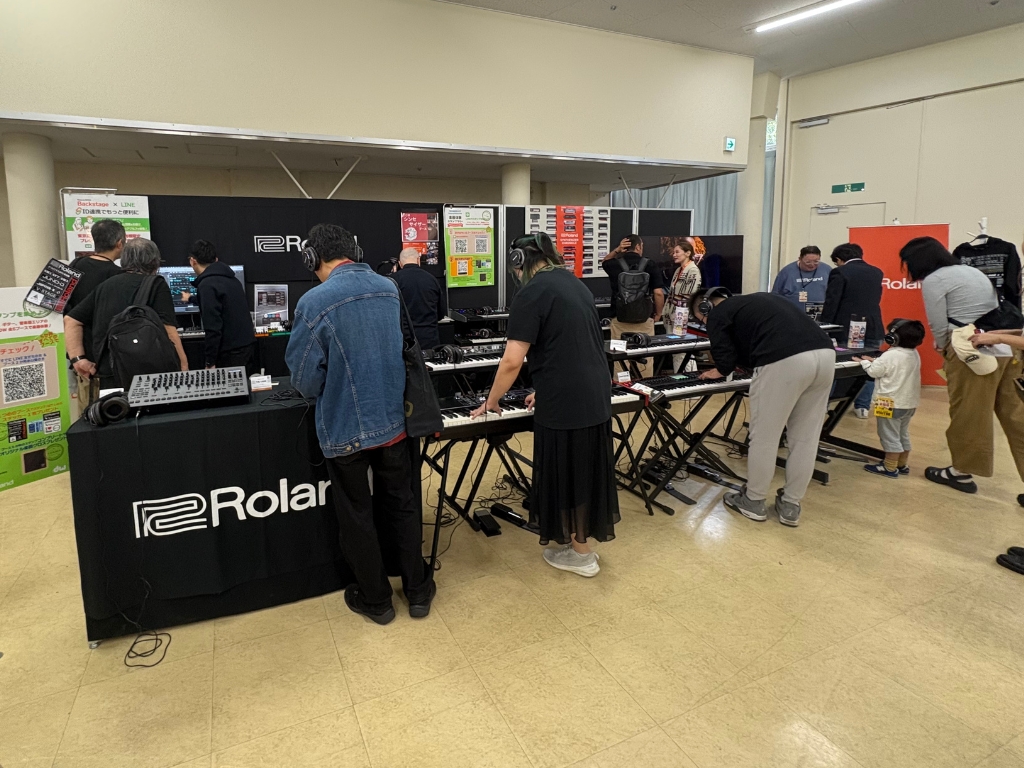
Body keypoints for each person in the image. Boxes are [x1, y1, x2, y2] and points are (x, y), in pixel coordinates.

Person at [286, 223, 434, 625]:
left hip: (344, 427)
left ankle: (377, 601)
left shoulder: (314, 302)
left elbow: (303, 379)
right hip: (394, 422)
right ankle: (418, 592)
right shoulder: (389, 288)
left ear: (312, 258)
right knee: (402, 504)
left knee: (356, 514)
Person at [471, 233, 618, 577]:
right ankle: (579, 546)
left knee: (568, 471)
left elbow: (511, 361)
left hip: (568, 399)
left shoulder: (532, 292)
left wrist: (491, 401)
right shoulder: (574, 284)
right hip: (592, 392)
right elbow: (569, 344)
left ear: (519, 262)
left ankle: (580, 554)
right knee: (582, 469)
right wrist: (545, 387)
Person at [691, 288, 836, 527]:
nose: (704, 322)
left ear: (705, 307)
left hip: (783, 361)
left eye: (700, 318)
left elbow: (724, 361)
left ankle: (754, 500)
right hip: (825, 355)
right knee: (806, 438)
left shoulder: (717, 313)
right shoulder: (756, 300)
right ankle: (791, 505)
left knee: (764, 437)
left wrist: (717, 371)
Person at [901, 236, 1024, 497]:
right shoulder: (971, 271)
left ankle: (961, 472)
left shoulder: (935, 280)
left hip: (973, 350)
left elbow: (938, 323)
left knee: (968, 413)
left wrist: (943, 345)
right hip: (1006, 346)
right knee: (1016, 415)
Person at [64, 238, 188, 392]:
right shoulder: (156, 284)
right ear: (154, 261)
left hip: (108, 373)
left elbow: (71, 320)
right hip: (147, 374)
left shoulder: (106, 285)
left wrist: (78, 359)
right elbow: (169, 330)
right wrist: (183, 367)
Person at [63, 219, 125, 408]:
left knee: (86, 411)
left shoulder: (73, 267)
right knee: (110, 410)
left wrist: (76, 357)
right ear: (119, 243)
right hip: (106, 359)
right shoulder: (118, 276)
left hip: (77, 356)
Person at [855, 319, 925, 478]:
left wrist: (865, 362)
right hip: (909, 403)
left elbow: (874, 372)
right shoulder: (913, 353)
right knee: (902, 433)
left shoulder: (890, 354)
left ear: (894, 338)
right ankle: (902, 464)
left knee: (888, 435)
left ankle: (889, 467)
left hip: (888, 403)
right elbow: (892, 367)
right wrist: (875, 361)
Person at [821, 243, 884, 418]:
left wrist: (825, 326)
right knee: (870, 363)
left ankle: (827, 403)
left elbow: (832, 302)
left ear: (839, 260)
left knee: (838, 365)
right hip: (873, 325)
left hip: (847, 327)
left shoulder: (840, 272)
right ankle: (862, 406)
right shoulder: (876, 272)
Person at [180, 240, 256, 370]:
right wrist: (191, 298)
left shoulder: (207, 285)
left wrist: (210, 362)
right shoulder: (231, 278)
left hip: (230, 353)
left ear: (193, 261)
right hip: (246, 346)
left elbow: (213, 328)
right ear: (216, 260)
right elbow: (219, 302)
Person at [601, 235, 665, 378]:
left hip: (620, 319)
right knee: (646, 357)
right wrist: (658, 314)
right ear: (638, 247)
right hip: (644, 319)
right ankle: (646, 390)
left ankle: (623, 391)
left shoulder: (615, 264)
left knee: (620, 358)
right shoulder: (650, 264)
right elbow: (658, 293)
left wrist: (617, 250)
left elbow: (604, 261)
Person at [392, 246, 446, 350]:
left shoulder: (393, 281)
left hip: (405, 342)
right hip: (429, 339)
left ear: (400, 263)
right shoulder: (432, 279)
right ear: (418, 260)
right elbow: (441, 313)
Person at [771, 246, 829, 311]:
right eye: (808, 262)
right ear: (800, 259)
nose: (812, 265)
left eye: (816, 261)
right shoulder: (786, 272)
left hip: (819, 313)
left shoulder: (827, 270)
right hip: (793, 313)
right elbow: (775, 295)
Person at [663, 240, 702, 327]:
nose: (674, 255)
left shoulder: (693, 270)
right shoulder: (678, 270)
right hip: (671, 314)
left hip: (682, 315)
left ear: (688, 253)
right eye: (673, 252)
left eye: (677, 252)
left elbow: (690, 295)